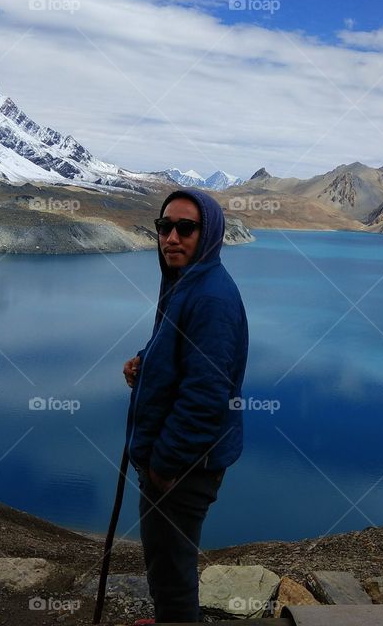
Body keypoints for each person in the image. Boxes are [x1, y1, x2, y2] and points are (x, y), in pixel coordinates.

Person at [122, 188, 248, 623]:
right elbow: (178, 353)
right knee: (164, 559)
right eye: (164, 227)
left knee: (171, 568)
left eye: (185, 228)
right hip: (180, 462)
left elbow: (206, 394)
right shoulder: (189, 284)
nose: (171, 237)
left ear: (208, 233)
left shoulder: (210, 297)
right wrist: (146, 363)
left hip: (184, 467)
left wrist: (164, 465)